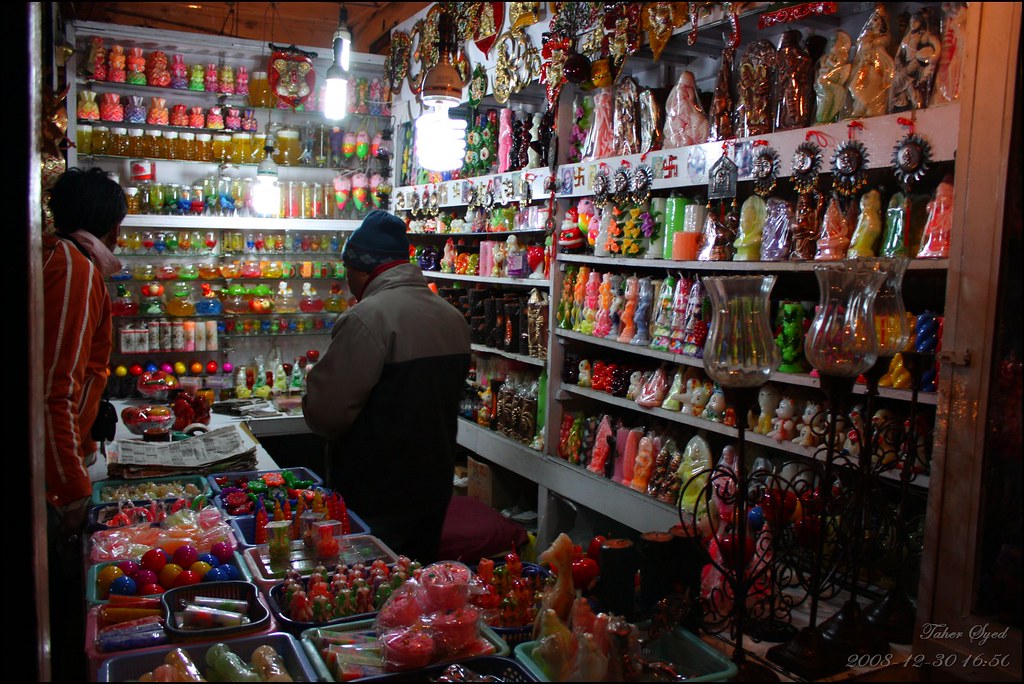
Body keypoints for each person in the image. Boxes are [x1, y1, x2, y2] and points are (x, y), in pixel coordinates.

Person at [303, 210, 471, 562]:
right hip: (433, 486)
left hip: (376, 493)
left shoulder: (366, 318)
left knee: (370, 583)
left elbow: (326, 415)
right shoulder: (451, 317)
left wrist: (312, 383)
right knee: (415, 584)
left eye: (348, 269)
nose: (347, 278)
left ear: (364, 269)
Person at [42, 166, 126, 681]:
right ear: (112, 227)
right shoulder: (74, 267)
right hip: (54, 483)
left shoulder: (66, 259)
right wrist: (72, 490)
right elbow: (56, 388)